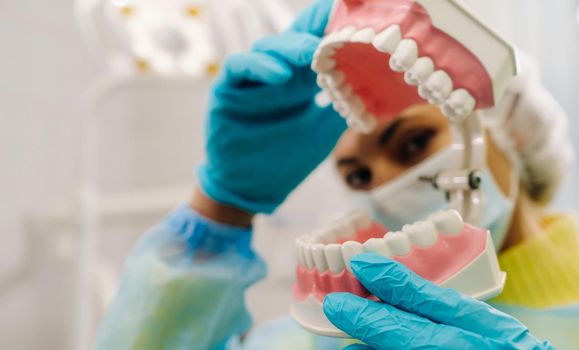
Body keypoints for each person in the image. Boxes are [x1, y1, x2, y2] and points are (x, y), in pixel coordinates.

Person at [94, 0, 579, 349]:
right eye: (359, 175)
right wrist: (223, 207)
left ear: (511, 132)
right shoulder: (322, 336)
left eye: (412, 144)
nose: (385, 184)